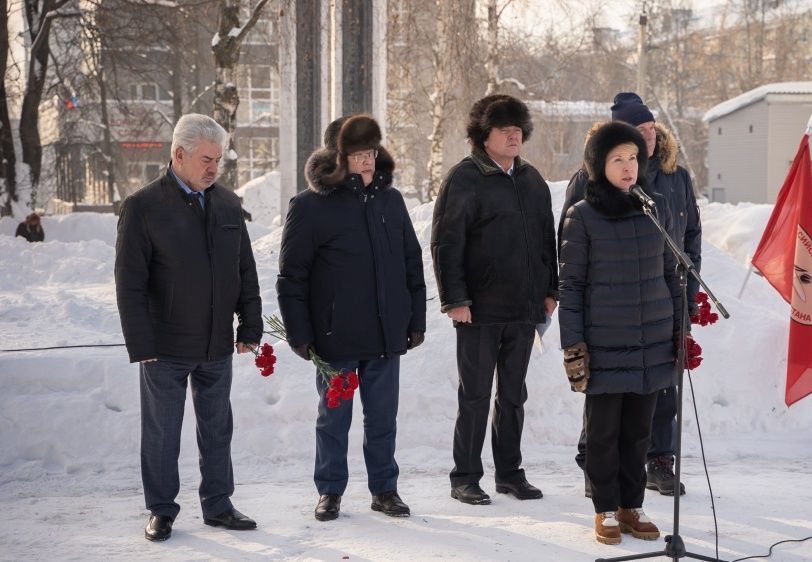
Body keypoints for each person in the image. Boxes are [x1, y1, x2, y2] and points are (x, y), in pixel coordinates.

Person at [115, 113, 263, 542]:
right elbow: (129, 283)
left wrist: (250, 326)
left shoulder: (228, 204)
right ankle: (161, 510)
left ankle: (218, 504)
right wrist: (141, 343)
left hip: (216, 343)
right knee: (162, 433)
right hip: (163, 347)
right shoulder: (143, 207)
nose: (214, 168)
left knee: (217, 429)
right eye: (206, 160)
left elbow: (245, 271)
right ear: (178, 155)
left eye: (218, 160)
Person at [277, 114, 426, 521]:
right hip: (335, 338)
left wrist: (415, 319)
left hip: (385, 335)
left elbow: (412, 263)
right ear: (336, 158)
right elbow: (292, 277)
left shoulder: (390, 201)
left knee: (382, 419)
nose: (366, 161)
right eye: (357, 154)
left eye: (371, 152)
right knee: (333, 419)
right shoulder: (309, 206)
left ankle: (385, 489)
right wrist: (299, 333)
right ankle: (330, 490)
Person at [558, 92, 701, 497]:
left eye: (650, 130)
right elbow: (571, 258)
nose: (647, 138)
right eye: (638, 132)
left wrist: (685, 307)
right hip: (608, 317)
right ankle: (597, 474)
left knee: (655, 400)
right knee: (606, 408)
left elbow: (687, 242)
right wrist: (575, 335)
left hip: (655, 311)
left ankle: (654, 467)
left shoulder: (670, 182)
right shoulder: (586, 188)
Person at [431, 94, 558, 506]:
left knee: (514, 396)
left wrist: (551, 290)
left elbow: (547, 241)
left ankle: (510, 473)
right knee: (475, 395)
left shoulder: (532, 180)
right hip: (478, 310)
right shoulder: (464, 178)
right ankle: (465, 476)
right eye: (504, 130)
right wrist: (455, 299)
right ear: (484, 136)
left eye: (518, 129)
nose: (513, 136)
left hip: (523, 309)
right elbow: (446, 243)